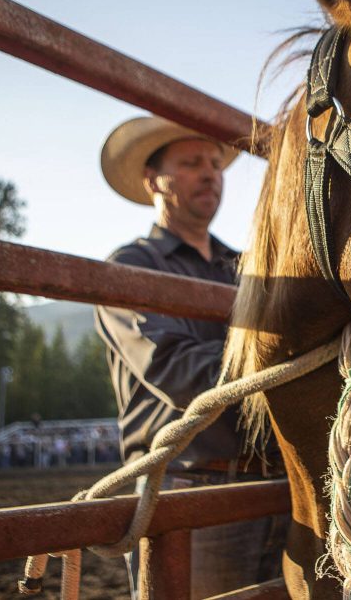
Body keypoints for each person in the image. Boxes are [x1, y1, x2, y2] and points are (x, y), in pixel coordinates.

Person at [95, 115, 285, 598]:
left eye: (215, 164)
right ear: (153, 179)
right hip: (191, 482)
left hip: (272, 480)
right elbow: (175, 369)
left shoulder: (247, 266)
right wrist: (283, 353)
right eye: (190, 163)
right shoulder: (130, 267)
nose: (210, 173)